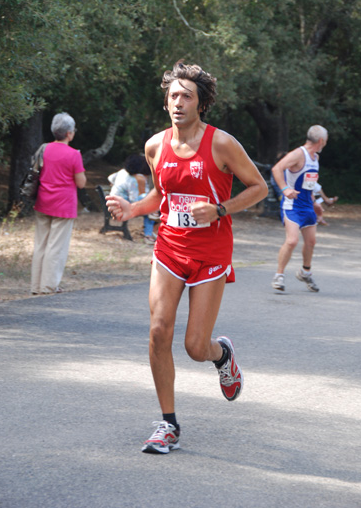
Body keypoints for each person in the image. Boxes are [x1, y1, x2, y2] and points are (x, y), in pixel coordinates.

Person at [106, 61, 268, 454]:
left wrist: (221, 209)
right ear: (166, 102)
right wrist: (132, 210)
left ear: (201, 104)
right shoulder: (155, 146)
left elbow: (259, 187)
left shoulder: (222, 144)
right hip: (169, 249)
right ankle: (168, 424)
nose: (178, 102)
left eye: (187, 96)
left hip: (211, 252)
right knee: (159, 331)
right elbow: (160, 197)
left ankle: (222, 354)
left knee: (196, 346)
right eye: (173, 95)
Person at [31, 112, 86, 294]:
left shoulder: (44, 149)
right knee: (56, 247)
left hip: (43, 201)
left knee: (40, 244)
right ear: (69, 133)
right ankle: (48, 286)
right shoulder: (74, 155)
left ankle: (36, 285)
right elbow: (81, 182)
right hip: (63, 205)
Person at [271, 125, 328, 293]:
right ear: (321, 141)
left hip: (307, 206)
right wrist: (284, 189)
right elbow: (276, 168)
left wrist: (315, 203)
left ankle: (305, 272)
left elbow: (307, 184)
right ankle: (279, 276)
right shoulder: (298, 154)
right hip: (292, 206)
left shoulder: (315, 158)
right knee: (292, 240)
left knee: (311, 242)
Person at [107, 154, 158, 244]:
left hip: (112, 201)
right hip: (122, 203)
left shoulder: (121, 172)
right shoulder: (133, 180)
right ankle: (148, 235)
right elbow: (134, 199)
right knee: (149, 204)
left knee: (149, 206)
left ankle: (152, 217)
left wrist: (115, 185)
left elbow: (110, 178)